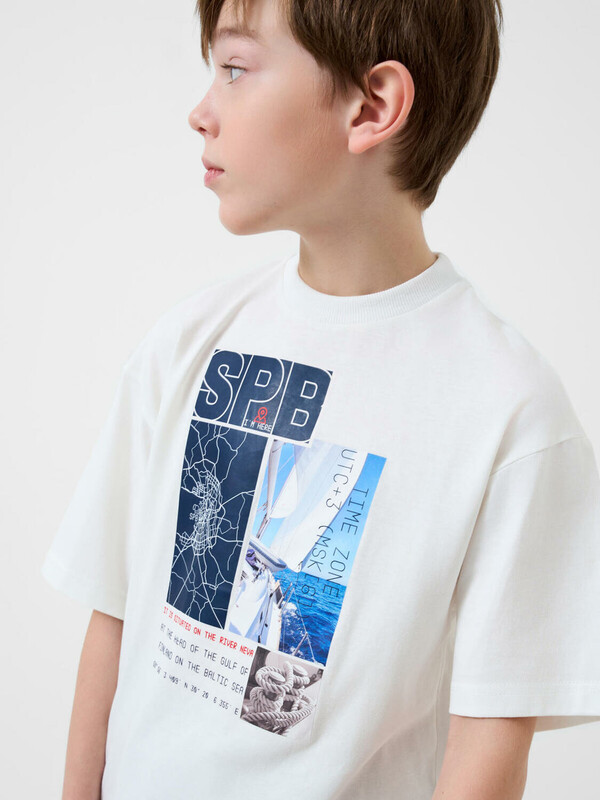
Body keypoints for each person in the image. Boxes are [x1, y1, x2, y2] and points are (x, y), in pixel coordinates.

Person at [41, 0, 600, 798]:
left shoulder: (509, 414)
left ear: (371, 107)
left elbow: (489, 748)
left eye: (236, 69)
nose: (201, 111)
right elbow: (115, 617)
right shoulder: (188, 342)